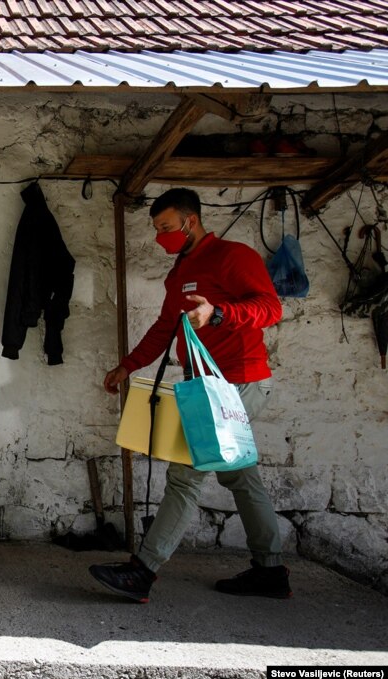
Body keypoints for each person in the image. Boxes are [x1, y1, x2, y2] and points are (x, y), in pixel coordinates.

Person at [90, 188, 292, 603]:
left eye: (166, 227)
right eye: (157, 229)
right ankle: (270, 572)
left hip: (237, 383)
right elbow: (167, 326)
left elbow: (271, 308)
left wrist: (218, 312)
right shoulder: (181, 271)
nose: (160, 236)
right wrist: (128, 365)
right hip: (208, 384)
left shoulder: (233, 257)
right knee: (240, 475)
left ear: (190, 221)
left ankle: (142, 571)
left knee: (184, 476)